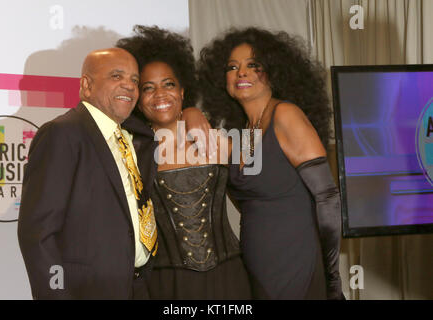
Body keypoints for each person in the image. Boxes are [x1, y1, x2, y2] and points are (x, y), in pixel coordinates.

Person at [18, 47, 211, 300]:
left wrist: (191, 111)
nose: (129, 86)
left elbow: (166, 113)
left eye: (134, 80)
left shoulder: (137, 136)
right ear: (87, 85)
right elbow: (38, 234)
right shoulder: (62, 133)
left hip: (140, 287)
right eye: (116, 76)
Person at [198, 27, 343, 300]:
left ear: (274, 71)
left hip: (296, 264)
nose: (241, 72)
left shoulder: (286, 115)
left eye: (253, 65)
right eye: (232, 67)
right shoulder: (241, 134)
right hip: (258, 269)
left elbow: (328, 198)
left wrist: (332, 277)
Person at [117, 26, 251, 299]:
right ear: (137, 99)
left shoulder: (215, 138)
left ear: (182, 90)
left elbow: (262, 191)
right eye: (148, 88)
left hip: (229, 278)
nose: (160, 94)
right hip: (167, 284)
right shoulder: (132, 152)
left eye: (169, 84)